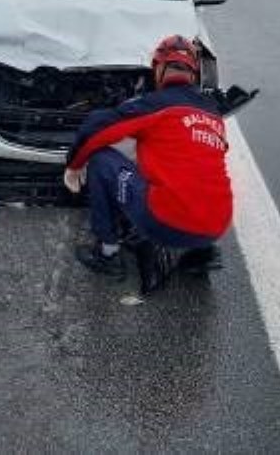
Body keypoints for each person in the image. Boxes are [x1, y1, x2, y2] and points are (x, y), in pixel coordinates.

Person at [63, 36, 230, 292]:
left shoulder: (154, 104)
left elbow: (97, 128)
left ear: (158, 68)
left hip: (164, 221)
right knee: (198, 173)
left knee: (101, 159)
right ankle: (201, 254)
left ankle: (107, 254)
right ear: (193, 73)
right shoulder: (213, 113)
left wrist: (74, 165)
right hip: (216, 227)